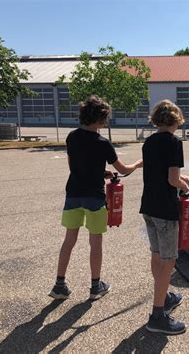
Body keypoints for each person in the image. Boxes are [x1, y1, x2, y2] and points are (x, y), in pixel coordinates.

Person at [49, 95, 142, 301]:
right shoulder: (103, 143)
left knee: (69, 240)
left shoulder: (72, 137)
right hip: (94, 198)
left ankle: (59, 284)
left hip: (73, 194)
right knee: (95, 242)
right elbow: (123, 169)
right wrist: (137, 165)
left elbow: (75, 166)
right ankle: (95, 285)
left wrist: (100, 172)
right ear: (101, 119)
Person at [140, 99, 189, 334]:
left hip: (149, 207)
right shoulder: (174, 142)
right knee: (168, 260)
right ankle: (157, 316)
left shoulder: (149, 142)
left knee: (156, 254)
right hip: (165, 209)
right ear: (176, 119)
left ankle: (166, 297)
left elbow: (161, 173)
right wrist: (184, 185)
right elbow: (173, 180)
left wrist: (181, 180)